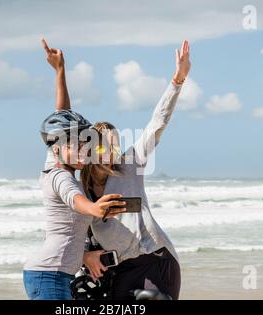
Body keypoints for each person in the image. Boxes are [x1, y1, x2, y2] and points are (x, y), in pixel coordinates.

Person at [81, 40, 191, 300]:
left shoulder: (130, 165)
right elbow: (68, 233)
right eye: (103, 147)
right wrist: (85, 256)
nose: (110, 153)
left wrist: (177, 81)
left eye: (114, 146)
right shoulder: (80, 191)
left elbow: (157, 124)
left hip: (157, 262)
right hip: (120, 272)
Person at [22, 39, 127, 300]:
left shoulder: (56, 160)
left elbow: (63, 114)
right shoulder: (59, 178)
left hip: (53, 274)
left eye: (85, 143)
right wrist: (95, 208)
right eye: (76, 145)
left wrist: (59, 71)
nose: (84, 150)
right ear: (57, 148)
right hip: (49, 276)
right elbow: (76, 200)